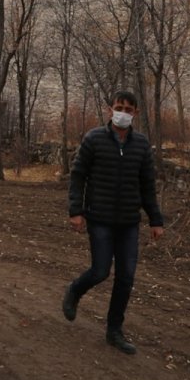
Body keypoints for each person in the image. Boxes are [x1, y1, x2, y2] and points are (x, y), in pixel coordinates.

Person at [61, 90, 165, 355]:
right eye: (119, 107)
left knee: (126, 277)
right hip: (100, 218)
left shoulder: (141, 144)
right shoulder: (94, 138)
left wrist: (155, 219)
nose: (123, 113)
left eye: (129, 109)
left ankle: (114, 331)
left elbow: (147, 185)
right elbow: (78, 175)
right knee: (100, 271)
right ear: (109, 109)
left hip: (129, 221)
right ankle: (75, 290)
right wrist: (76, 210)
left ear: (136, 113)